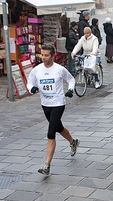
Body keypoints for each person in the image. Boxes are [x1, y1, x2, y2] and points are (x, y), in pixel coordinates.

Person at [26, 44, 79, 175]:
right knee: (58, 128)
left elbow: (71, 79)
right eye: (42, 55)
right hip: (45, 104)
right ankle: (73, 142)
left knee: (51, 133)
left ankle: (47, 165)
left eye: (46, 55)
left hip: (58, 103)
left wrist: (70, 90)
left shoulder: (59, 69)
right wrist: (31, 88)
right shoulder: (37, 70)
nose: (43, 58)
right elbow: (29, 82)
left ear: (52, 55)